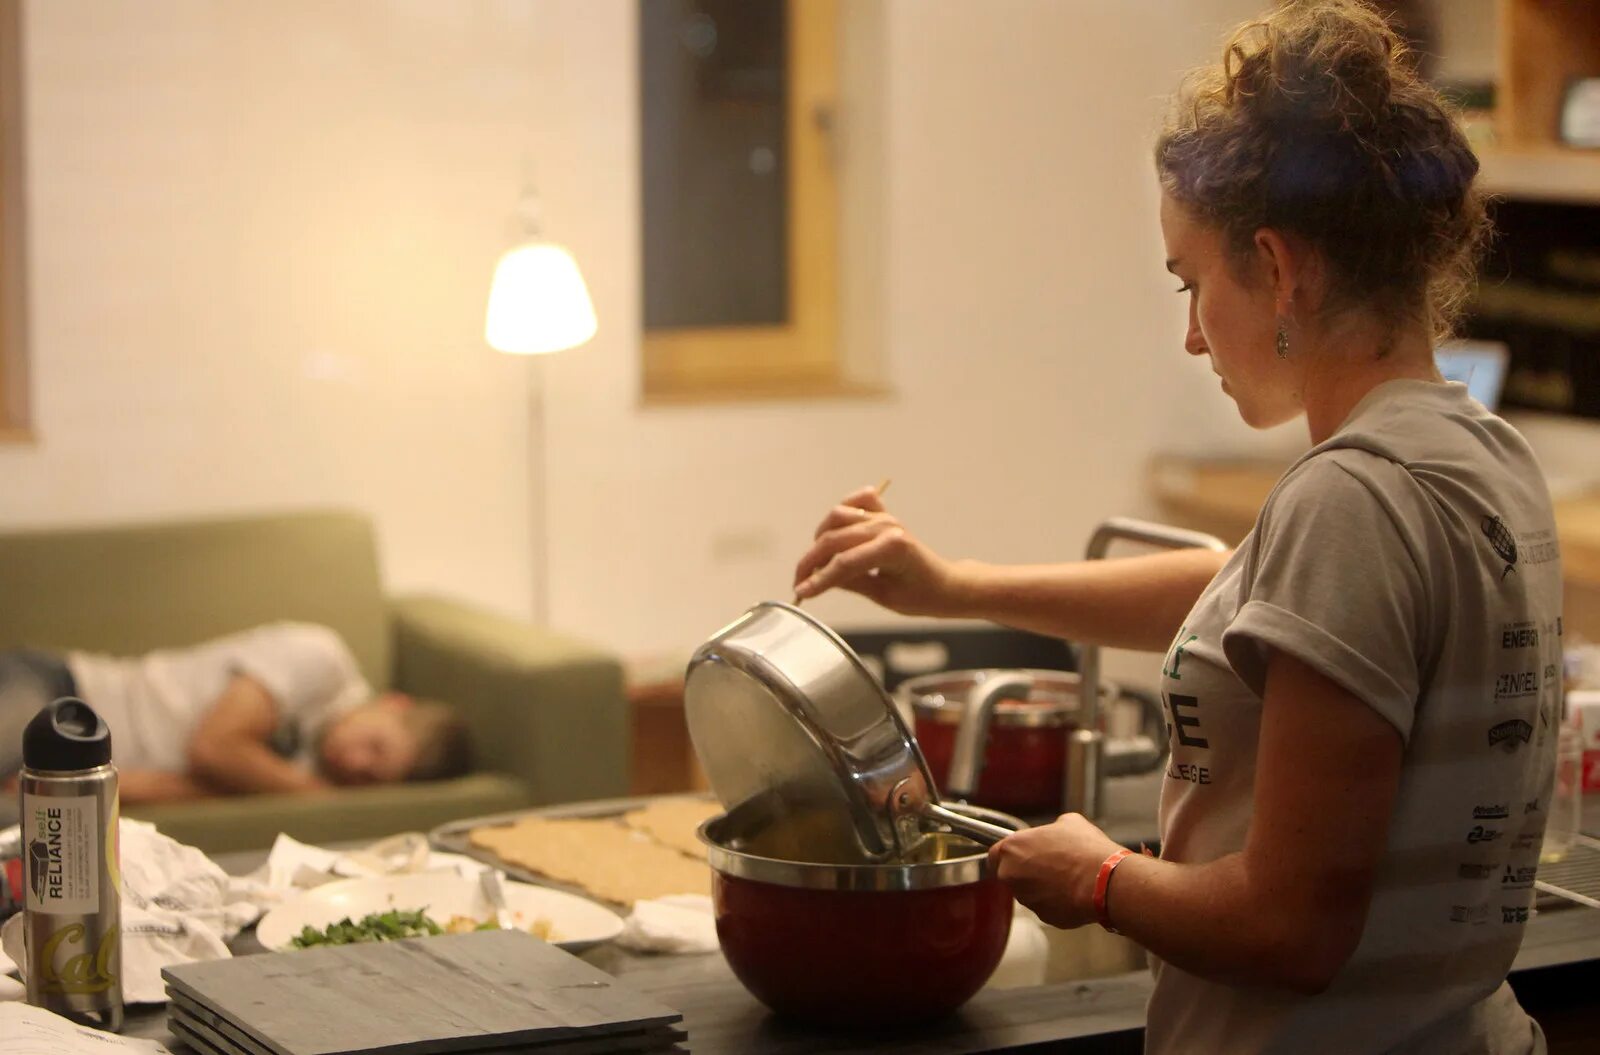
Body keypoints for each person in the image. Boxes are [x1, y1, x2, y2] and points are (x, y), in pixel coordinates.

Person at [791, 2, 1560, 1052]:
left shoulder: (1350, 500)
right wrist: (955, 584)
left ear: (1281, 269)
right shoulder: (1479, 454)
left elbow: (1290, 928)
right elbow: (1234, 591)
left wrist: (1096, 873)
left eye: (1192, 283)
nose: (1193, 335)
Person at [0, 622, 472, 805]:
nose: (355, 764)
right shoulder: (321, 660)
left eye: (370, 777)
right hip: (65, 692)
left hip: (74, 763)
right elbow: (213, 748)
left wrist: (53, 787)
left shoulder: (298, 775)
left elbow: (183, 784)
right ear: (393, 703)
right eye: (374, 746)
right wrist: (318, 795)